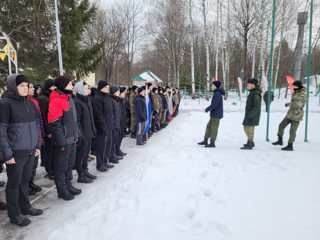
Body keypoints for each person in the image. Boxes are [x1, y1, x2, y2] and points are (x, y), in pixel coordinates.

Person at [0, 74, 43, 227]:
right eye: (22, 86)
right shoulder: (5, 104)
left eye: (27, 85)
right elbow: (1, 131)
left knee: (25, 181)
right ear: (13, 87)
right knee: (13, 184)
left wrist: (37, 145)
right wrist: (7, 154)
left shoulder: (30, 103)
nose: (25, 88)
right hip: (15, 153)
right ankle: (14, 214)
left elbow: (36, 126)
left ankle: (25, 207)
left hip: (30, 150)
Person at [48, 76, 80, 201]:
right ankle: (62, 190)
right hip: (63, 140)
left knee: (69, 165)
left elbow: (73, 121)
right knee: (61, 167)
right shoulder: (55, 100)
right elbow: (55, 124)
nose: (72, 85)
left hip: (72, 138)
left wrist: (76, 135)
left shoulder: (68, 98)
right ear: (62, 86)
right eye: (69, 84)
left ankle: (68, 185)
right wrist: (61, 142)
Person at [74, 81, 97, 183]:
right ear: (80, 89)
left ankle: (85, 170)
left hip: (88, 132)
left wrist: (92, 129)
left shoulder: (87, 100)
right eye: (87, 88)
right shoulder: (77, 102)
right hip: (83, 134)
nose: (89, 90)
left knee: (85, 154)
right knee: (81, 155)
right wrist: (80, 134)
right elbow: (77, 121)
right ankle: (81, 175)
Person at [272, 81, 306, 151]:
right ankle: (280, 140)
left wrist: (291, 104)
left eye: (295, 86)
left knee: (292, 131)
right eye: (293, 86)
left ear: (299, 87)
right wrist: (289, 104)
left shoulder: (302, 94)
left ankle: (290, 145)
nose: (293, 88)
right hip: (290, 114)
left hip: (297, 115)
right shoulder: (296, 92)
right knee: (281, 126)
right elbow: (294, 102)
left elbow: (298, 105)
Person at [92, 81, 114, 172]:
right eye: (106, 87)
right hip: (101, 127)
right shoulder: (97, 98)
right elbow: (98, 115)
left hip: (109, 125)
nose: (108, 88)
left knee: (108, 145)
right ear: (101, 88)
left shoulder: (107, 97)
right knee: (101, 146)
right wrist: (103, 126)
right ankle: (100, 164)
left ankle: (105, 161)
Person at [37, 79, 56, 179]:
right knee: (49, 151)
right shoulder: (43, 99)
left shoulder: (49, 97)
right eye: (53, 86)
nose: (54, 88)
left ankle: (52, 169)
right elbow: (44, 116)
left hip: (51, 128)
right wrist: (48, 131)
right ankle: (50, 171)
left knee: (52, 151)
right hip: (48, 130)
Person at [27, 83, 44, 195]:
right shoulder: (25, 103)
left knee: (34, 163)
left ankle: (31, 182)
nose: (33, 89)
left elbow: (39, 120)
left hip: (37, 136)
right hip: (28, 139)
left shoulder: (34, 101)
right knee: (28, 166)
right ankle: (26, 185)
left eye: (33, 87)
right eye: (31, 87)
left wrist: (41, 134)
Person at [198, 81, 224, 148]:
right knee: (209, 127)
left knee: (214, 128)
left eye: (212, 85)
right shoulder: (216, 93)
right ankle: (205, 140)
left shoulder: (217, 94)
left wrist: (208, 109)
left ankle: (212, 143)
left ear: (215, 86)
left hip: (216, 114)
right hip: (214, 114)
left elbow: (214, 104)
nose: (211, 86)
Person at [241, 78, 262, 150]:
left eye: (249, 84)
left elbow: (256, 107)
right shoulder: (252, 92)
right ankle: (250, 142)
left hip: (252, 115)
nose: (247, 85)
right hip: (249, 114)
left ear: (253, 85)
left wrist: (250, 115)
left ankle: (250, 143)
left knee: (249, 129)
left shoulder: (256, 94)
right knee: (247, 128)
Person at [110, 86, 123, 164]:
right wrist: (114, 124)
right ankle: (112, 156)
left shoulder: (116, 101)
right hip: (114, 125)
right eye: (118, 91)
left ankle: (114, 154)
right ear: (114, 92)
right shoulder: (112, 101)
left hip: (117, 124)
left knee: (115, 141)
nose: (119, 93)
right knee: (112, 142)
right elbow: (112, 115)